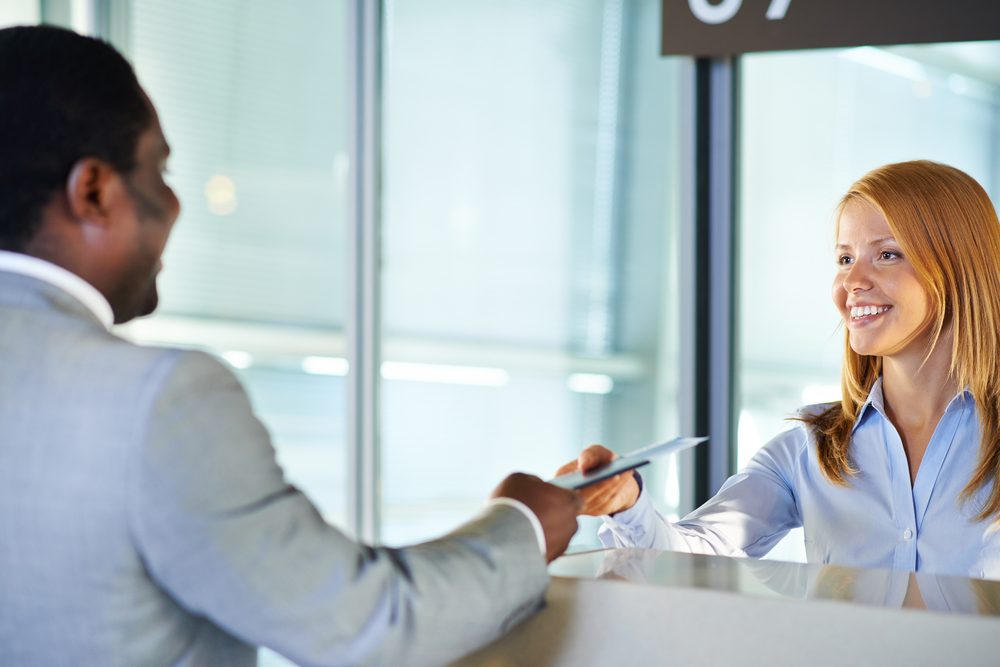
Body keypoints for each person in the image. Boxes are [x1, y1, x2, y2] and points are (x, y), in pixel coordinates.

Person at [0, 25, 581, 666]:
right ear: (93, 192)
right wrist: (522, 525)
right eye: (160, 170)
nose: (174, 203)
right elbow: (368, 627)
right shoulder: (152, 402)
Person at [560, 159, 1000, 580]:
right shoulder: (809, 450)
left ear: (958, 267)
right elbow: (690, 554)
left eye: (886, 255)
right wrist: (627, 503)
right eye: (845, 259)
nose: (851, 281)